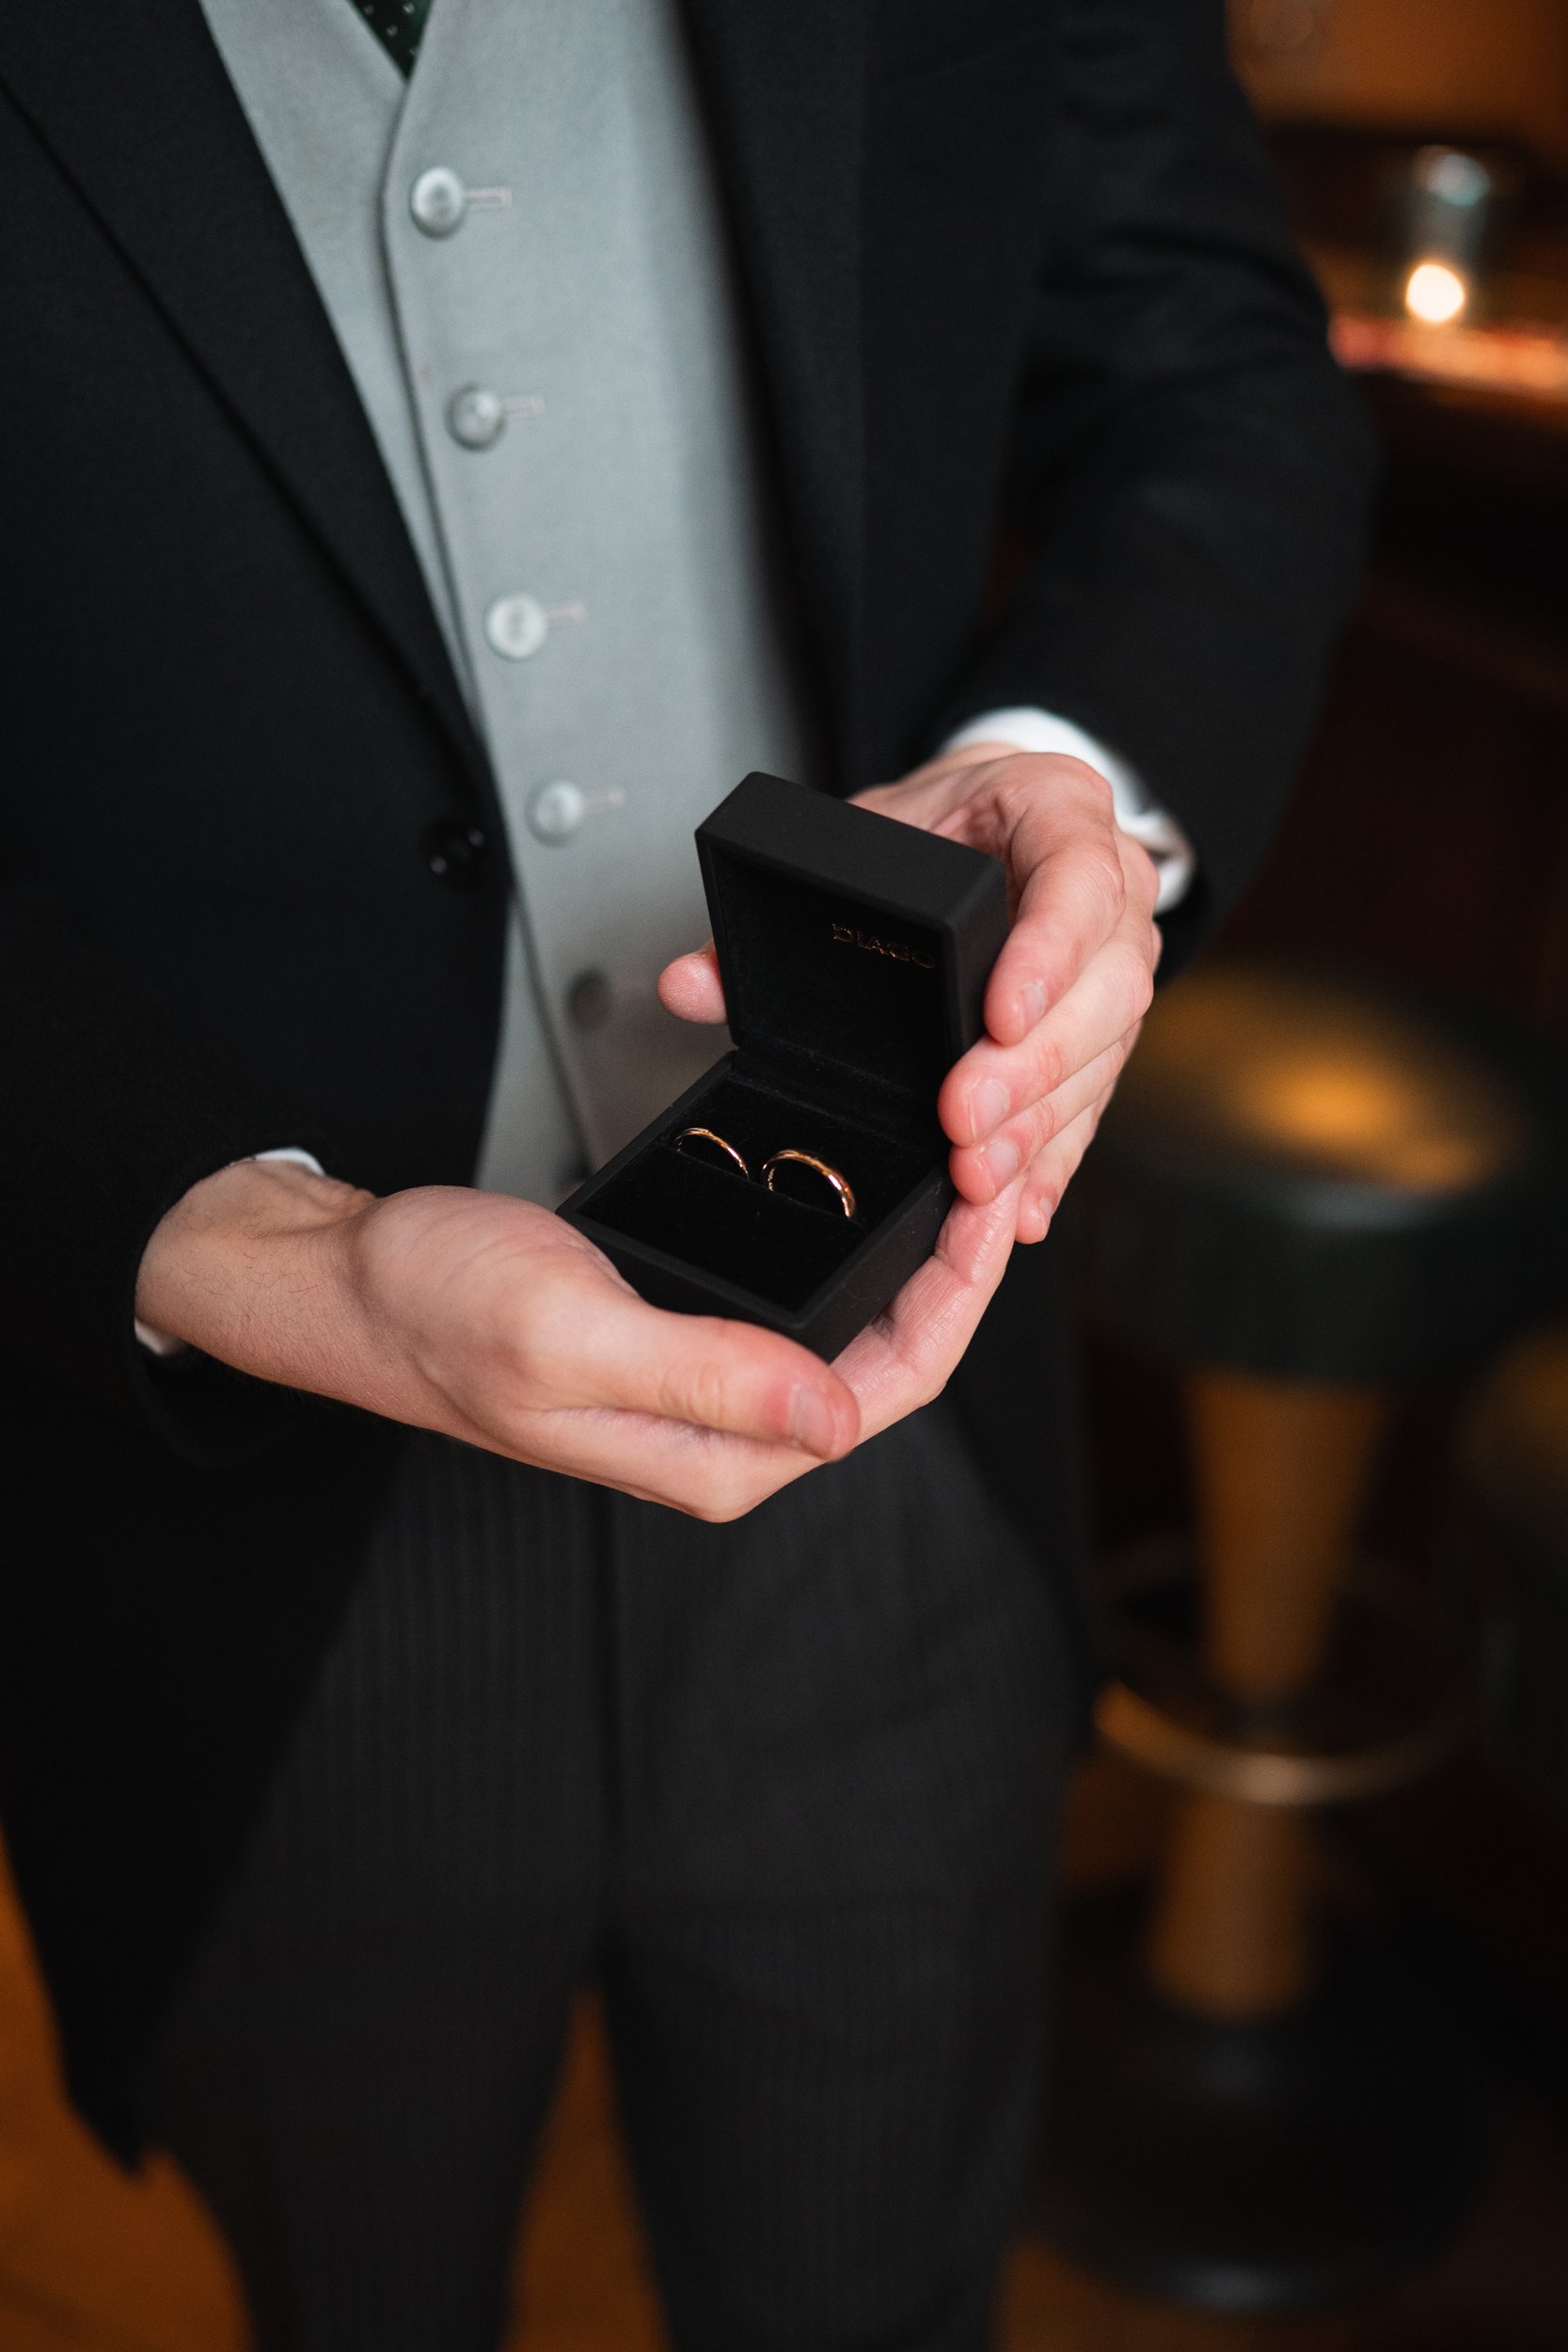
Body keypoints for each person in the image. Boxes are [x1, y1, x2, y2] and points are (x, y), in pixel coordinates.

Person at [0, 1, 1370, 2344]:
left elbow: (1208, 361)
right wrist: (246, 1232)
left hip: (906, 1415)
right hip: (236, 1535)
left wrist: (1073, 790)